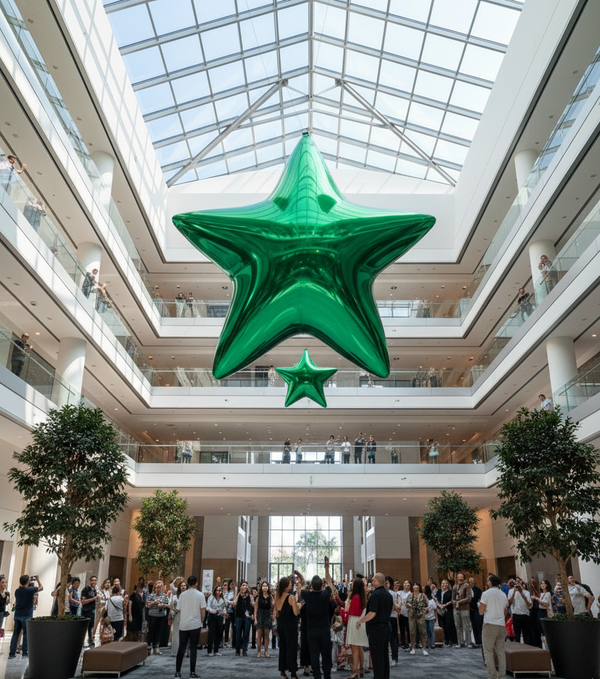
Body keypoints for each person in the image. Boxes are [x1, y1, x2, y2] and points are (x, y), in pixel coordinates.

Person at [302, 557, 335, 679]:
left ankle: (317, 676)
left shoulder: (307, 595)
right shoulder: (325, 595)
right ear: (322, 585)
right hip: (324, 629)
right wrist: (326, 568)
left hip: (311, 630)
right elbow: (330, 582)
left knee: (314, 655)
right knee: (326, 654)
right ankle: (327, 675)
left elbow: (302, 586)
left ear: (311, 585)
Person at [356, 572, 393, 679]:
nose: (372, 582)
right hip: (386, 627)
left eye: (373, 580)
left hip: (376, 629)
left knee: (377, 656)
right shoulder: (388, 595)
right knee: (384, 655)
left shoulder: (376, 595)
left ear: (378, 581)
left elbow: (372, 613)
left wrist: (360, 621)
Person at [175, 575, 206, 679]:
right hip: (195, 624)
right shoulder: (200, 595)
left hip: (183, 624)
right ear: (196, 583)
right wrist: (201, 621)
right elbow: (203, 610)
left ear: (187, 583)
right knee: (193, 649)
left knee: (181, 649)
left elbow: (178, 608)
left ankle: (177, 672)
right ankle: (192, 673)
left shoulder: (182, 595)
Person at [479, 574, 507, 679]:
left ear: (490, 583)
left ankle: (492, 675)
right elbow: (505, 611)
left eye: (487, 581)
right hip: (501, 625)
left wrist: (480, 607)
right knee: (500, 651)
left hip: (489, 624)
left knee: (488, 651)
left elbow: (481, 611)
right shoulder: (503, 594)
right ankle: (502, 675)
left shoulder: (486, 594)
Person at [9, 574, 43, 659]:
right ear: (28, 581)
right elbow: (41, 587)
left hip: (17, 614)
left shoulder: (17, 591)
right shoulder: (30, 590)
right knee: (26, 633)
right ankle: (25, 652)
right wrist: (38, 580)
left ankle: (12, 653)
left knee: (15, 634)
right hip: (26, 614)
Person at [275, 575, 300, 679]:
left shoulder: (277, 595)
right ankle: (293, 673)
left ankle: (282, 673)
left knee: (283, 647)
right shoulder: (291, 597)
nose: (292, 584)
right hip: (290, 625)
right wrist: (299, 605)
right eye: (290, 583)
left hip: (280, 623)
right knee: (292, 648)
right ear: (286, 586)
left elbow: (276, 613)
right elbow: (295, 613)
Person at [345, 577, 368, 678]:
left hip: (355, 622)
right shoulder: (361, 596)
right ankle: (361, 669)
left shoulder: (355, 597)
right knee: (359, 647)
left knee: (355, 647)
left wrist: (346, 605)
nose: (351, 585)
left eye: (353, 583)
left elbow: (353, 611)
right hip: (359, 622)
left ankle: (355, 671)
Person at [146, 580, 170, 655]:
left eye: (160, 587)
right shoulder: (151, 595)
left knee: (159, 632)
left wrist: (163, 605)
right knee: (151, 632)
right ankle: (148, 647)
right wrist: (154, 603)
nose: (159, 588)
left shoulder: (165, 596)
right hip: (153, 616)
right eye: (157, 587)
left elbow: (168, 605)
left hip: (161, 616)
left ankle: (156, 647)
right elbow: (147, 605)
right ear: (155, 587)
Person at [406, 581, 428, 656]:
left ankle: (424, 648)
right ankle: (413, 648)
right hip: (412, 615)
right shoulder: (410, 595)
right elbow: (407, 603)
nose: (415, 589)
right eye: (414, 588)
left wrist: (424, 611)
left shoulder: (422, 595)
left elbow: (426, 605)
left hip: (421, 615)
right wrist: (409, 605)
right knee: (412, 632)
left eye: (417, 588)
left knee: (423, 632)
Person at [508, 578, 532, 644]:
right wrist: (514, 592)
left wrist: (521, 593)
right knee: (517, 635)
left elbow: (529, 605)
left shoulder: (526, 592)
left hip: (525, 615)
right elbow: (509, 603)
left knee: (526, 635)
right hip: (516, 614)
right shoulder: (511, 591)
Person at [452, 573, 473, 648]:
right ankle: (460, 642)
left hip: (464, 608)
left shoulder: (466, 585)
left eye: (461, 577)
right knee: (458, 625)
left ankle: (468, 642)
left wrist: (459, 602)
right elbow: (452, 598)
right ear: (457, 578)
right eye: (458, 577)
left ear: (463, 578)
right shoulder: (455, 586)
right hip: (456, 609)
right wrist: (455, 602)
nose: (460, 578)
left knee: (466, 625)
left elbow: (469, 598)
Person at [233, 580, 254, 656]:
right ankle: (237, 650)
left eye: (246, 585)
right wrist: (239, 593)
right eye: (243, 585)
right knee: (238, 633)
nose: (244, 587)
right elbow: (234, 604)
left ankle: (244, 649)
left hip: (247, 617)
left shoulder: (250, 596)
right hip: (239, 616)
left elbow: (253, 604)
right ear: (240, 587)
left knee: (246, 633)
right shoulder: (238, 596)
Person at [206, 583, 227, 656]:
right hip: (212, 616)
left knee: (218, 633)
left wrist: (224, 612)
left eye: (220, 590)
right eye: (217, 590)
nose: (219, 592)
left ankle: (216, 650)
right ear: (215, 591)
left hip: (219, 616)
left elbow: (224, 607)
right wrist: (214, 611)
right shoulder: (211, 597)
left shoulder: (222, 598)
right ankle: (209, 650)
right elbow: (207, 607)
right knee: (211, 633)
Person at [435, 578, 456, 647]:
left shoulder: (450, 592)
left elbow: (452, 600)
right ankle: (445, 640)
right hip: (440, 610)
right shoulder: (438, 591)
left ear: (448, 584)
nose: (444, 585)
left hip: (448, 610)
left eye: (445, 583)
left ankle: (451, 640)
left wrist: (444, 605)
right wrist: (439, 605)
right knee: (442, 625)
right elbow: (436, 599)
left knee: (448, 625)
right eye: (443, 583)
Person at [254, 580, 273, 658]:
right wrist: (255, 619)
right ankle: (259, 651)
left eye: (266, 586)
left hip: (267, 616)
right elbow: (255, 609)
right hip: (260, 615)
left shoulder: (270, 597)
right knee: (259, 635)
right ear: (261, 587)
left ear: (268, 587)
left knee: (266, 635)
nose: (265, 587)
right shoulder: (258, 597)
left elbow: (273, 607)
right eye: (263, 586)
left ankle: (266, 651)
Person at [80, 575, 99, 647]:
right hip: (85, 611)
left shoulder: (96, 590)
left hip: (92, 611)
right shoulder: (86, 589)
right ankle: (81, 641)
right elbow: (83, 601)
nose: (94, 582)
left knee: (91, 628)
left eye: (95, 580)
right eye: (92, 580)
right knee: (84, 627)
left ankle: (91, 641)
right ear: (90, 581)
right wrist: (93, 599)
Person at [171, 580, 187, 657]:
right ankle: (175, 651)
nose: (183, 587)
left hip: (185, 615)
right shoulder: (175, 596)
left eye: (184, 585)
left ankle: (184, 651)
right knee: (176, 633)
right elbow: (171, 606)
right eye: (182, 586)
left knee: (184, 633)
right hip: (177, 615)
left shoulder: (188, 596)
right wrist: (174, 609)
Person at [386, 577, 399, 666]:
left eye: (387, 583)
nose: (385, 584)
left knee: (393, 639)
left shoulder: (393, 594)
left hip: (392, 617)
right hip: (384, 618)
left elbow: (395, 607)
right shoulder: (381, 593)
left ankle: (394, 658)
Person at [469, 576, 483, 647]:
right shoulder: (468, 590)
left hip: (476, 609)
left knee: (478, 624)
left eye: (472, 581)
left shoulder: (478, 590)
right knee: (473, 625)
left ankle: (480, 640)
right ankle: (476, 640)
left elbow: (480, 599)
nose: (471, 583)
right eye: (470, 581)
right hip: (470, 610)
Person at [398, 580, 411, 650]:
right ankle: (402, 642)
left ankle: (409, 642)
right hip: (401, 613)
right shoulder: (400, 592)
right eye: (405, 583)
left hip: (408, 613)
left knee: (408, 628)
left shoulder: (410, 593)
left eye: (408, 584)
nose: (406, 585)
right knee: (402, 628)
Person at [424, 585, 437, 650]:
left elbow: (435, 608)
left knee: (431, 630)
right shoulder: (423, 599)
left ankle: (432, 643)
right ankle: (428, 642)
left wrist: (436, 619)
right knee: (427, 631)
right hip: (425, 617)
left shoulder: (432, 600)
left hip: (431, 617)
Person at [223, 580, 236, 647]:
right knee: (226, 626)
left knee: (234, 626)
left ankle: (233, 641)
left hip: (233, 611)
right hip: (227, 611)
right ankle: (226, 640)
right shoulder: (224, 593)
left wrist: (230, 602)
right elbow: (225, 601)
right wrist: (229, 602)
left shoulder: (233, 592)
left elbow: (234, 600)